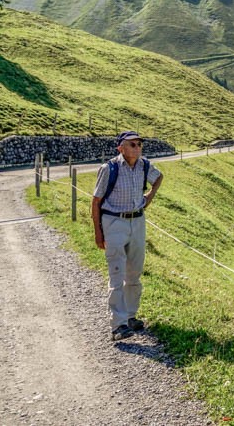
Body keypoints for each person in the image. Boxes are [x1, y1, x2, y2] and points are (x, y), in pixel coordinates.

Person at [92, 131, 163, 341]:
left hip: (137, 222)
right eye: (132, 144)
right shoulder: (109, 169)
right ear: (120, 148)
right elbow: (96, 201)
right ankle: (118, 324)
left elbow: (159, 178)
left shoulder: (144, 165)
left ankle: (131, 316)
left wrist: (148, 198)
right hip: (114, 222)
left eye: (140, 144)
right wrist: (98, 232)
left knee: (134, 272)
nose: (137, 148)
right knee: (116, 273)